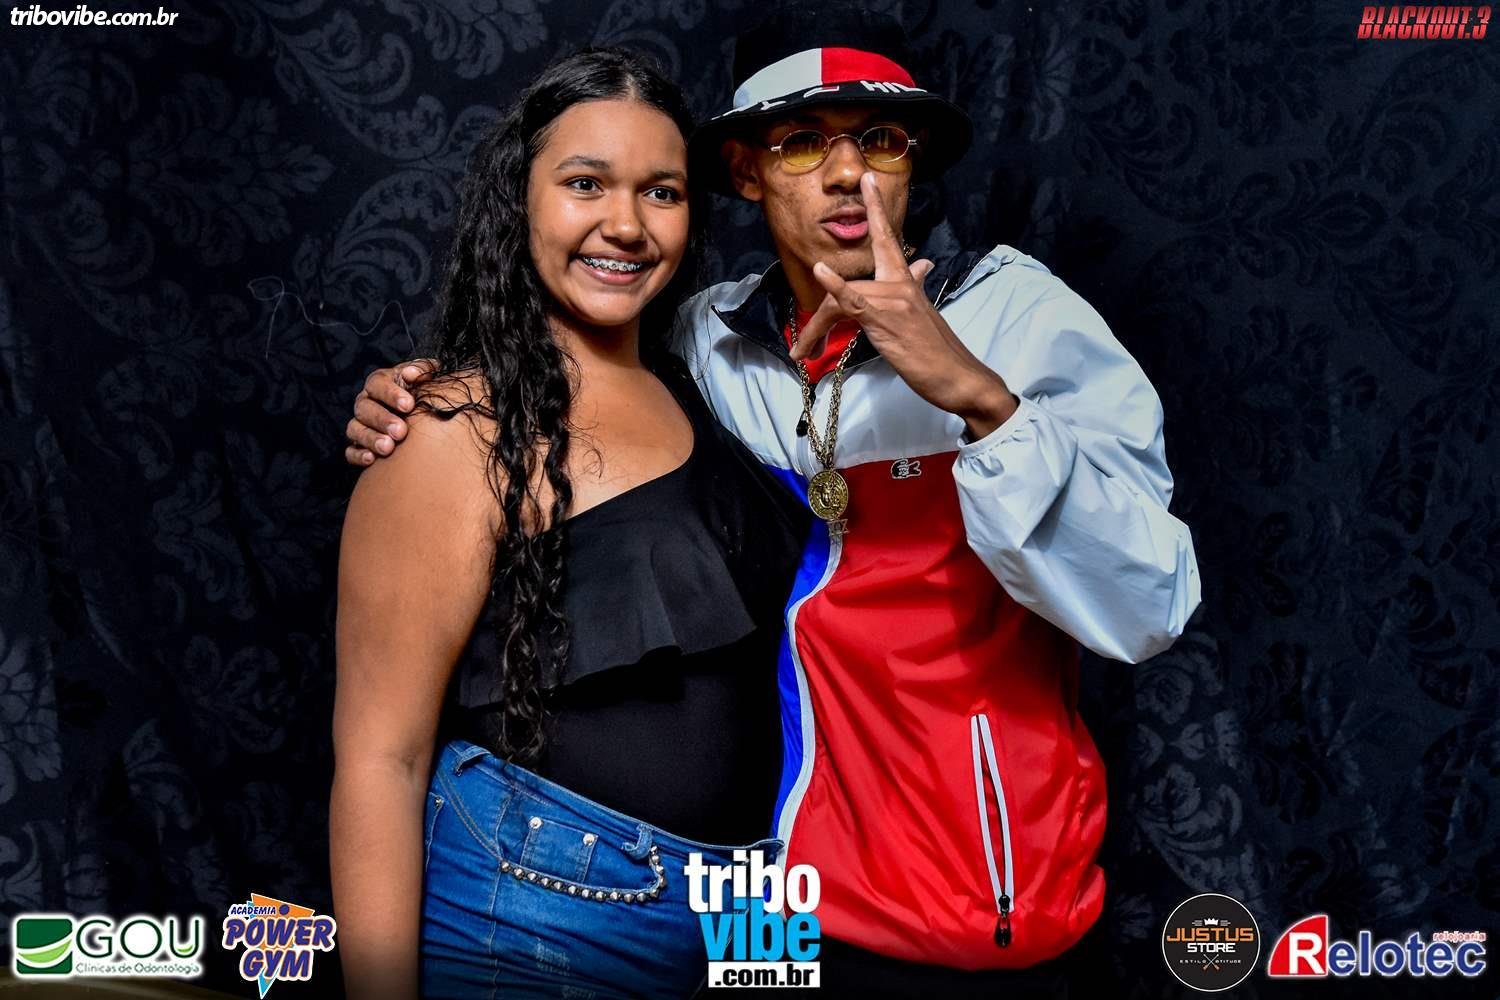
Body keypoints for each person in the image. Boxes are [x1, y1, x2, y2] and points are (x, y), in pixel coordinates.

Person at [346, 4, 1203, 995]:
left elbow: (1149, 606)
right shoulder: (708, 344)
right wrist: (413, 404)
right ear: (747, 173)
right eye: (802, 144)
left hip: (965, 901)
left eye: (880, 141)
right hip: (760, 901)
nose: (847, 173)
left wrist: (978, 397)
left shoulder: (1020, 320)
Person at [330, 47, 808, 1000]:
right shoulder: (452, 429)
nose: (625, 225)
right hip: (547, 904)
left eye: (661, 192)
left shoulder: (712, 384)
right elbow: (383, 758)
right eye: (585, 183)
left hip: (760, 902)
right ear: (521, 201)